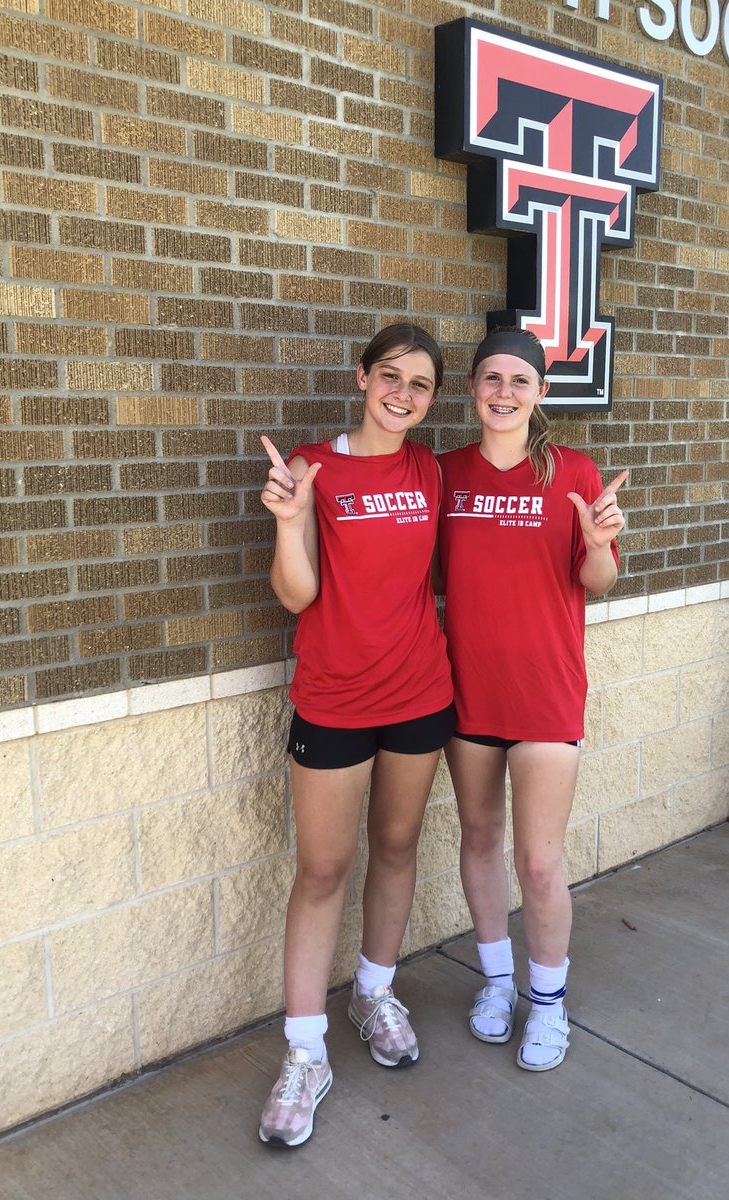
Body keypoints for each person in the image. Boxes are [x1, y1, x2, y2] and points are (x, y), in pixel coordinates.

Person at [257, 323, 455, 1147]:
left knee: (399, 844)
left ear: (432, 399)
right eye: (390, 376)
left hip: (419, 690)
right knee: (323, 868)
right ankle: (306, 1052)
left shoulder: (431, 471)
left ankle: (374, 992)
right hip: (334, 698)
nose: (402, 393)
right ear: (362, 376)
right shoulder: (312, 466)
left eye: (420, 384)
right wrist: (288, 521)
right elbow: (296, 596)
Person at [438, 327, 625, 1072]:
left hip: (546, 690)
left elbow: (597, 582)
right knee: (480, 837)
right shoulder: (445, 473)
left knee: (541, 862)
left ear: (541, 392)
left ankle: (549, 1004)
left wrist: (602, 542)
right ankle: (497, 982)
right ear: (474, 390)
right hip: (466, 691)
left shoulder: (574, 470)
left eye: (520, 380)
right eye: (491, 379)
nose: (504, 392)